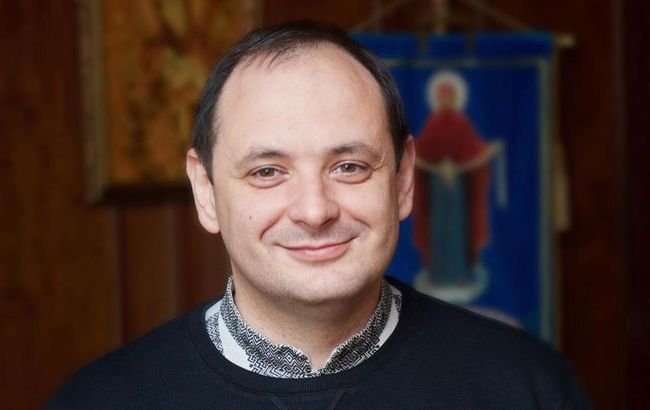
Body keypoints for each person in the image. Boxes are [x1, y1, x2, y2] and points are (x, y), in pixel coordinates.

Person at [46, 21, 591, 409]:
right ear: (206, 191)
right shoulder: (100, 401)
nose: (314, 211)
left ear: (403, 180)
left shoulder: (527, 387)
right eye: (267, 171)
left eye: (349, 166)